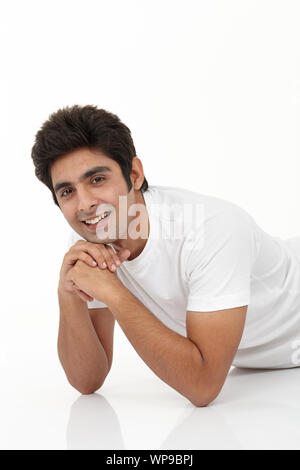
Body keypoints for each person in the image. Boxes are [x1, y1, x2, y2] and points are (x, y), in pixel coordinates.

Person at [31, 105, 300, 407]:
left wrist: (113, 292)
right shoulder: (94, 238)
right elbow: (87, 380)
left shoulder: (210, 229)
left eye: (97, 180)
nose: (85, 205)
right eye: (67, 192)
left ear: (134, 174)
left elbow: (202, 387)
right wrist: (67, 293)